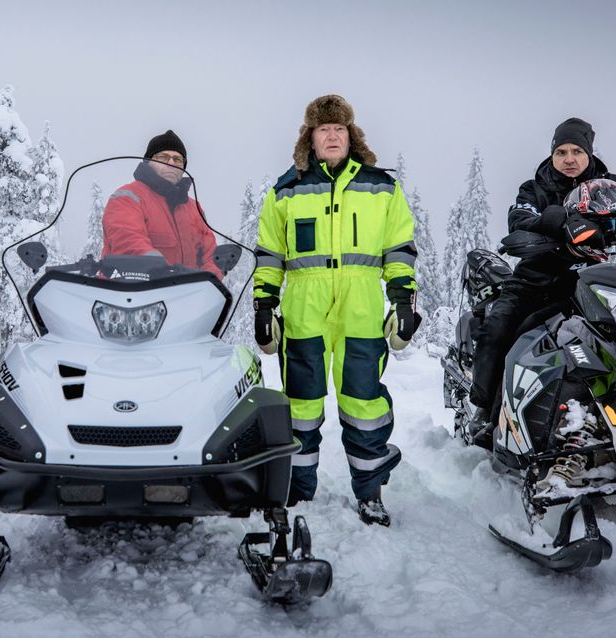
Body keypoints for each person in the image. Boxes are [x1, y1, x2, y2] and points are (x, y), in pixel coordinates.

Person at [252, 95, 420, 526]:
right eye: (323, 129)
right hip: (304, 306)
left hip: (361, 308)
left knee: (363, 402)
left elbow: (398, 248)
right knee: (301, 404)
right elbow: (270, 253)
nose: (331, 135)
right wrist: (263, 304)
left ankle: (369, 492)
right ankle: (297, 492)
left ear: (352, 136)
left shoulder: (381, 187)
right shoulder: (286, 189)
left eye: (339, 129)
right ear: (309, 137)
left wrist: (403, 299)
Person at [468, 117, 616, 437]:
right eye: (561, 152)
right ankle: (487, 413)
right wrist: (557, 222)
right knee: (499, 329)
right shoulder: (536, 188)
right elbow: (521, 218)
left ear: (589, 153)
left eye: (576, 151)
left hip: (605, 280)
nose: (569, 159)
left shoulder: (614, 186)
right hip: (540, 280)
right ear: (552, 154)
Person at [101, 130, 222, 277]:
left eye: (178, 159)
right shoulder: (128, 197)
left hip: (187, 295)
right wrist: (157, 267)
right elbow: (127, 240)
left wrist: (209, 278)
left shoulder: (194, 209)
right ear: (148, 162)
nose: (171, 163)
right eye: (163, 157)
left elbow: (210, 254)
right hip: (132, 292)